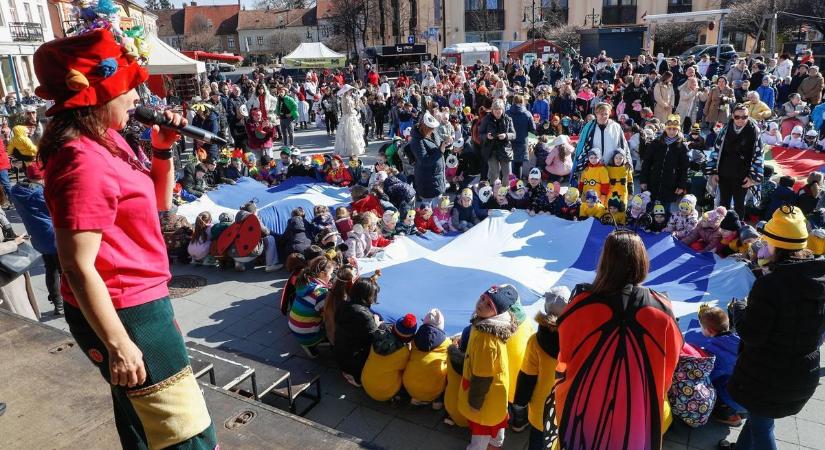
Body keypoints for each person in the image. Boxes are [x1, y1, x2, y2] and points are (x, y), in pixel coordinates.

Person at [35, 30, 216, 448]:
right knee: (184, 428)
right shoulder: (83, 161)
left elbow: (158, 203)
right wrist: (119, 343)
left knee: (141, 418)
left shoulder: (108, 140)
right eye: (130, 86)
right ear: (99, 95)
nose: (139, 96)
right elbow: (77, 265)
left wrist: (163, 150)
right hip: (127, 310)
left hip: (137, 301)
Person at [547, 230, 682, 450]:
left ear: (605, 262)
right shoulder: (662, 309)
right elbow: (669, 364)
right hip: (638, 410)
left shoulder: (581, 305)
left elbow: (565, 359)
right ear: (641, 261)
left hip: (584, 406)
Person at [720, 206, 825, 450]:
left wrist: (738, 311)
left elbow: (752, 334)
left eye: (766, 241)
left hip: (768, 375)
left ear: (777, 246)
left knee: (763, 426)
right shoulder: (818, 280)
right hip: (800, 372)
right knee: (760, 419)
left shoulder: (770, 286)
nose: (762, 247)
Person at [458, 285, 519, 450]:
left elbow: (481, 377)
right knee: (496, 423)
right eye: (482, 298)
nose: (481, 304)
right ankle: (496, 444)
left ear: (497, 312)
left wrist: (474, 403)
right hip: (496, 394)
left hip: (485, 398)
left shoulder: (486, 340)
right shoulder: (492, 326)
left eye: (488, 305)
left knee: (481, 432)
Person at [510, 286, 569, 450]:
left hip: (541, 408)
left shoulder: (536, 341)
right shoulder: (578, 340)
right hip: (566, 407)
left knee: (537, 440)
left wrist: (520, 403)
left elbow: (527, 377)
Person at [9, 162, 63, 315]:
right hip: (54, 236)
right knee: (64, 271)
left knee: (50, 269)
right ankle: (71, 302)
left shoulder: (16, 191)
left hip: (38, 238)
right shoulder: (41, 194)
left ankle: (57, 303)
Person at [707, 104, 765, 217]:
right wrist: (714, 172)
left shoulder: (754, 131)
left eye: (744, 117)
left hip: (743, 176)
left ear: (748, 116)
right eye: (737, 117)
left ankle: (737, 229)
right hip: (724, 173)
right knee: (723, 204)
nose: (740, 120)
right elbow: (716, 151)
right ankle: (722, 228)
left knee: (739, 205)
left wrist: (752, 178)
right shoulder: (725, 129)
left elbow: (759, 155)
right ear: (733, 116)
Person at [333, 272, 382, 386]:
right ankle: (357, 378)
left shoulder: (344, 305)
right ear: (368, 296)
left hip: (341, 354)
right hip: (354, 363)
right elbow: (375, 338)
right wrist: (377, 323)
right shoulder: (363, 315)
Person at [288, 256, 336, 358]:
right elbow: (329, 315)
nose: (331, 277)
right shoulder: (321, 293)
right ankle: (311, 345)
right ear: (322, 274)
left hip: (294, 327)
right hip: (306, 334)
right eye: (331, 274)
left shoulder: (306, 283)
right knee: (335, 324)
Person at [640, 114, 690, 208]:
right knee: (648, 207)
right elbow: (646, 162)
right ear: (665, 129)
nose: (671, 131)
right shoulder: (656, 143)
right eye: (669, 128)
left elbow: (684, 168)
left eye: (674, 129)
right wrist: (643, 180)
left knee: (664, 210)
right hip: (653, 181)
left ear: (678, 130)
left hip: (670, 184)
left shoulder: (682, 147)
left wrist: (681, 185)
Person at [571, 103, 628, 184]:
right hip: (593, 167)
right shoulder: (589, 127)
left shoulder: (615, 127)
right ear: (596, 113)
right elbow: (582, 145)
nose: (604, 116)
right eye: (601, 114)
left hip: (612, 166)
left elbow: (623, 145)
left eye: (606, 114)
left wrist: (627, 162)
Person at [409, 112, 448, 204]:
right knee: (428, 211)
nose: (434, 129)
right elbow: (424, 161)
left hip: (437, 177)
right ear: (426, 128)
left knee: (438, 208)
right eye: (432, 128)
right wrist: (440, 151)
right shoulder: (417, 141)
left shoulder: (432, 133)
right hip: (427, 180)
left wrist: (445, 143)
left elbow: (437, 144)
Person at [481, 99, 516, 183]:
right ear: (492, 109)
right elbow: (480, 133)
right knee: (495, 173)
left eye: (499, 109)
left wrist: (506, 135)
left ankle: (504, 192)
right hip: (491, 149)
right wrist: (487, 136)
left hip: (505, 149)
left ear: (502, 109)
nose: (497, 111)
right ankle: (495, 192)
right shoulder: (486, 119)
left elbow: (514, 134)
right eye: (495, 109)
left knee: (506, 173)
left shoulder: (508, 119)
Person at [507, 95, 536, 179]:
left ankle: (506, 184)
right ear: (522, 102)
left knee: (507, 164)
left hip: (509, 141)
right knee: (518, 164)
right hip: (522, 141)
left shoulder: (507, 113)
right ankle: (517, 185)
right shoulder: (527, 114)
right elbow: (533, 129)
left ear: (513, 102)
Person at [333, 85, 366, 157]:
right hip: (348, 117)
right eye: (350, 90)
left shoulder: (348, 97)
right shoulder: (345, 98)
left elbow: (352, 106)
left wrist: (356, 102)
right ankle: (350, 150)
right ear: (346, 91)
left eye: (351, 90)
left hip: (349, 116)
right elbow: (349, 110)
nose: (351, 91)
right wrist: (355, 111)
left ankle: (352, 149)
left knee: (352, 134)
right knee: (349, 134)